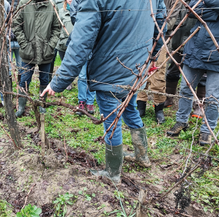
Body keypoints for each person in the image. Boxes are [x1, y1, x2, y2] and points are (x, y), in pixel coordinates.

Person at [41, 0, 166, 184]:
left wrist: (58, 82)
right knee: (130, 108)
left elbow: (80, 42)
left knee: (112, 120)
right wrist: (154, 53)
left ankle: (113, 173)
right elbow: (160, 20)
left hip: (111, 68)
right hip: (137, 66)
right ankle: (142, 156)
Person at [167, 0, 219, 146]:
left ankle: (207, 130)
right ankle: (181, 121)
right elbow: (192, 10)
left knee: (213, 96)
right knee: (186, 87)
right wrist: (218, 12)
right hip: (196, 47)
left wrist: (208, 3)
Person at [12, 0, 61, 116]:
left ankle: (42, 103)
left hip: (46, 53)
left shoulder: (51, 5)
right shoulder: (24, 3)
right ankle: (21, 107)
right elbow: (16, 25)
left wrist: (50, 46)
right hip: (28, 52)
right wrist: (25, 45)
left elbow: (57, 28)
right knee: (24, 79)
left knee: (44, 79)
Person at [164, 0, 206, 119]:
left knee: (202, 74)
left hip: (197, 44)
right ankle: (168, 97)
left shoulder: (202, 2)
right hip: (177, 42)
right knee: (172, 70)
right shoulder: (179, 2)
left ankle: (199, 105)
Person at [7, 0, 23, 84]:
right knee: (7, 67)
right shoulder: (4, 4)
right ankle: (8, 87)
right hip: (7, 41)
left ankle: (21, 86)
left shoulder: (22, 4)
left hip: (19, 41)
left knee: (21, 65)